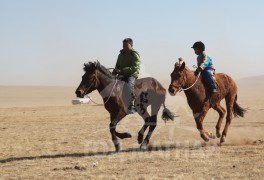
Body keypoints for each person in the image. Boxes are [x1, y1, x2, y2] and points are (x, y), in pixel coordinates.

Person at [113, 38, 141, 114]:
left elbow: (135, 67)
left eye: (126, 45)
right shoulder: (120, 55)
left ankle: (132, 105)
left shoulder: (134, 54)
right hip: (122, 74)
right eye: (123, 45)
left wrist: (122, 70)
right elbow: (117, 65)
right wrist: (115, 71)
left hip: (131, 74)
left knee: (129, 86)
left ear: (131, 45)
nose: (124, 46)